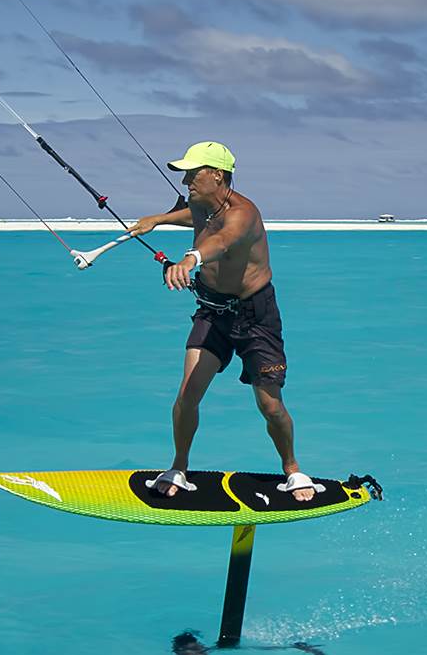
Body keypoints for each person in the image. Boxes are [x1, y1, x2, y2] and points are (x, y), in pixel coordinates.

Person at [127, 142, 316, 503]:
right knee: (187, 394)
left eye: (193, 173)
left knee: (270, 405)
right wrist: (158, 219)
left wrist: (190, 258)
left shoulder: (243, 213)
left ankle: (291, 468)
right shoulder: (202, 205)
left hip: (255, 316)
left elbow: (224, 239)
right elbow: (193, 217)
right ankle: (179, 468)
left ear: (218, 175)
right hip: (212, 311)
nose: (185, 181)